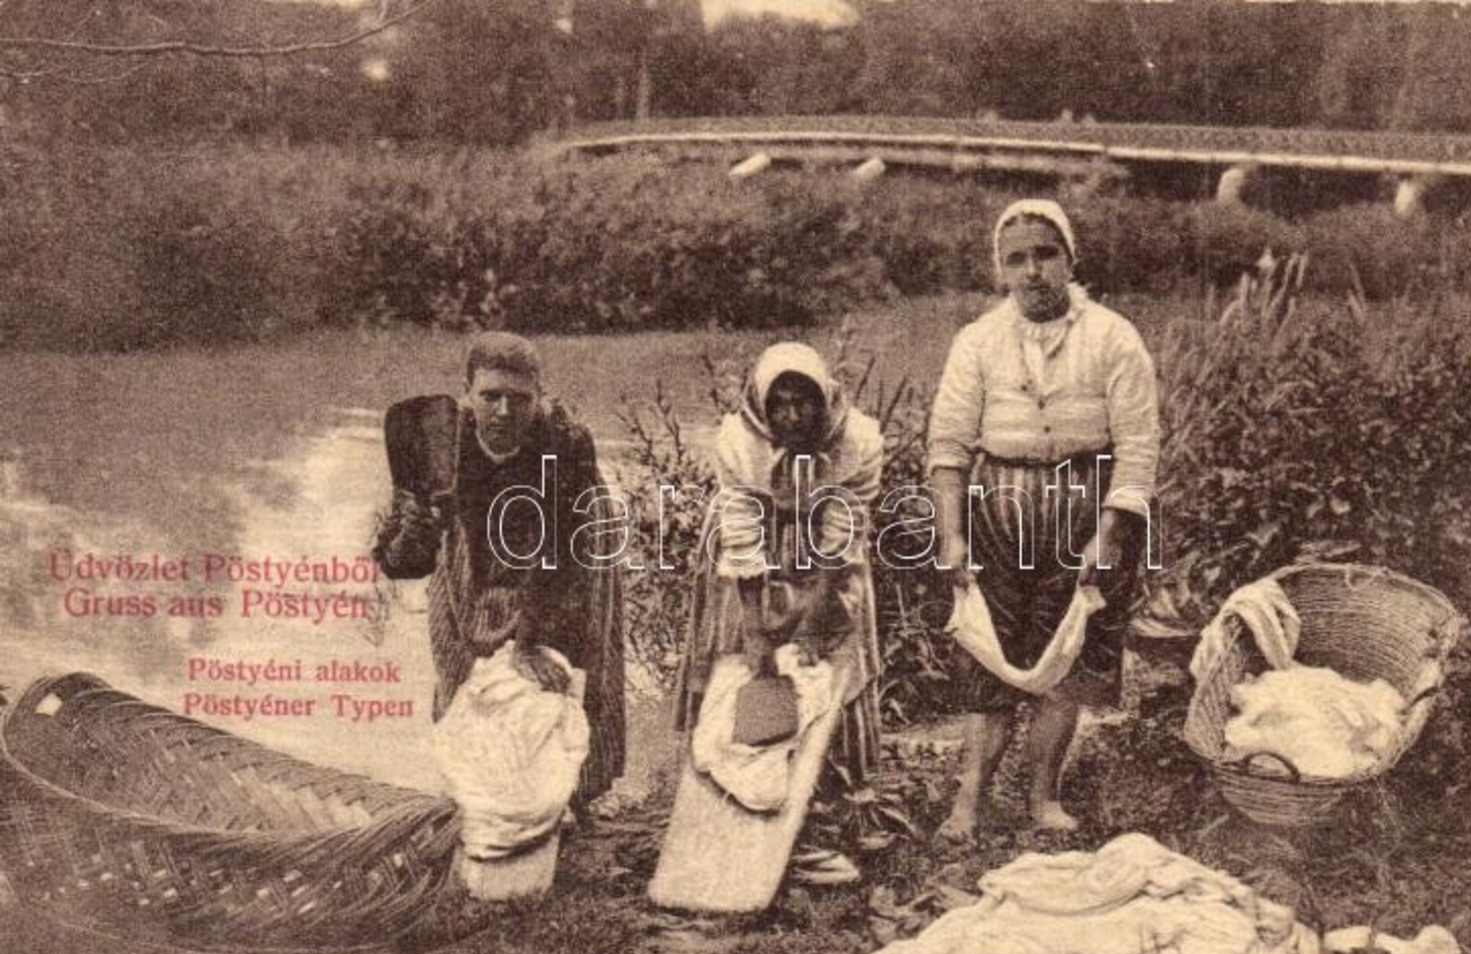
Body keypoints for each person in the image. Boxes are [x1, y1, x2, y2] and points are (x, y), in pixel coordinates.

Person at [927, 199, 1160, 842]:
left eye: (1045, 255)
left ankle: (1041, 798)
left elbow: (1139, 447)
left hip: (1087, 508)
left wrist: (1109, 534)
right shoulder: (976, 342)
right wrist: (950, 534)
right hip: (997, 513)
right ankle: (968, 802)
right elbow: (948, 449)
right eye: (1017, 260)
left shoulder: (1114, 337)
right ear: (1001, 270)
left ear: (1070, 260)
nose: (1032, 272)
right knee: (986, 653)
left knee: (1069, 652)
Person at [372, 331, 625, 810]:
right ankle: (473, 792)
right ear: (467, 393)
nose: (504, 412)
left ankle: (571, 796)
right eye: (491, 397)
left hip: (569, 542)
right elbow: (403, 563)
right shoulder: (438, 437)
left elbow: (560, 556)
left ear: (539, 397)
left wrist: (530, 642)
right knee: (463, 669)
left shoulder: (566, 443)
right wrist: (416, 525)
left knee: (565, 670)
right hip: (476, 547)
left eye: (519, 399)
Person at [674, 342, 884, 862]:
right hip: (754, 558)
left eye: (804, 401)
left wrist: (813, 622)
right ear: (762, 406)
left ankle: (836, 809)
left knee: (834, 670)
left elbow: (842, 531)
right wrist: (754, 629)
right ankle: (720, 810)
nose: (792, 416)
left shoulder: (856, 440)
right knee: (742, 673)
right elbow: (740, 531)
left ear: (825, 399)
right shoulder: (740, 441)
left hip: (826, 564)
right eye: (780, 404)